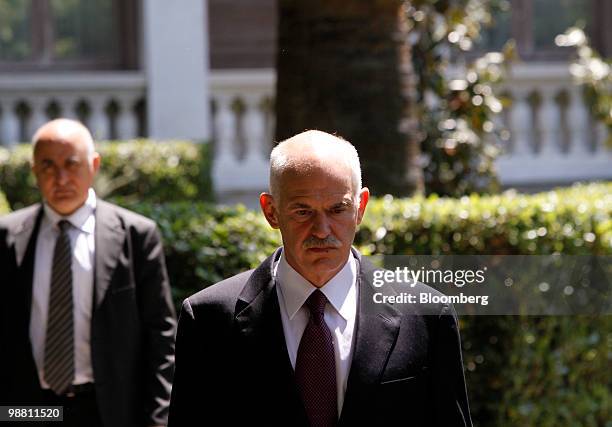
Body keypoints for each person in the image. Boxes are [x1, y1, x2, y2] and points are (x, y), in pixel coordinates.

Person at [168, 130, 472, 426]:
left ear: (360, 207)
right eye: (303, 211)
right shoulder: (209, 319)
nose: (322, 230)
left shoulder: (425, 314)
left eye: (338, 209)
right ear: (271, 211)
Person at [0, 119, 176, 427]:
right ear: (34, 172)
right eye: (48, 166)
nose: (61, 177)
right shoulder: (8, 236)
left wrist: (157, 420)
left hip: (108, 409)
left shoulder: (136, 235)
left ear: (94, 165)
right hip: (29, 410)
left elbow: (161, 338)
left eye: (72, 164)